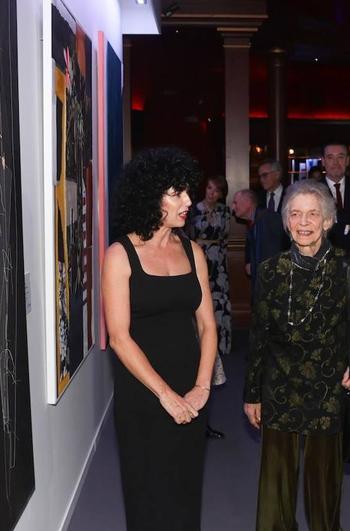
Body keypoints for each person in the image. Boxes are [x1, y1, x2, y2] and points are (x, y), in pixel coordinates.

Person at [243, 180, 350, 531]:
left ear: (328, 221)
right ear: (286, 222)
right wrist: (252, 394)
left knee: (324, 489)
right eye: (295, 214)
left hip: (329, 390)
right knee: (275, 488)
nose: (304, 222)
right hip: (279, 386)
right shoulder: (270, 270)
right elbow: (258, 337)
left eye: (313, 214)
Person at [102, 147, 217, 531]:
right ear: (151, 196)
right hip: (144, 392)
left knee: (185, 488)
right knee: (147, 491)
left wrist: (202, 387)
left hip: (190, 386)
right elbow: (119, 338)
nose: (189, 201)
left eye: (188, 192)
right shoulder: (120, 255)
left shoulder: (193, 251)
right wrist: (165, 395)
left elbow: (207, 325)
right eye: (177, 193)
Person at [186, 175, 231, 439]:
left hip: (219, 263)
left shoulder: (225, 212)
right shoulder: (193, 211)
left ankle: (220, 347)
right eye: (209, 187)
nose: (212, 192)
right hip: (199, 262)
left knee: (219, 309)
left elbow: (225, 238)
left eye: (217, 189)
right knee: (202, 314)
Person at [231, 188, 286, 296]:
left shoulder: (269, 219)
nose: (233, 207)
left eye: (235, 202)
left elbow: (273, 257)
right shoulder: (255, 221)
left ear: (247, 202)